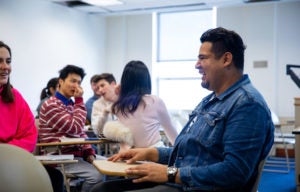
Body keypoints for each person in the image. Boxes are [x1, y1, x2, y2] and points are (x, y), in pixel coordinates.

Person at [90, 27, 275, 192]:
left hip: (194, 186)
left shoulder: (247, 105)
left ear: (226, 59)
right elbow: (189, 154)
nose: (196, 64)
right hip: (181, 182)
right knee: (101, 188)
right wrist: (150, 153)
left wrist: (170, 173)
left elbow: (234, 172)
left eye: (203, 58)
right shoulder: (211, 100)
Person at [0, 41, 64, 192]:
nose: (5, 67)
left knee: (55, 177)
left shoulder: (15, 97)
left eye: (8, 61)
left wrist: (7, 153)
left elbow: (29, 136)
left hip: (13, 161)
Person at [39, 64, 102, 192]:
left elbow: (81, 133)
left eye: (79, 82)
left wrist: (88, 151)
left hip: (74, 156)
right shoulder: (51, 104)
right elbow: (74, 127)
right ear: (61, 82)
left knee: (108, 165)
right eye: (73, 81)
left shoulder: (71, 104)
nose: (76, 86)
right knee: (97, 175)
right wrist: (79, 100)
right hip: (58, 158)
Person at [108, 60, 178, 151]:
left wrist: (118, 92)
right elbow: (173, 136)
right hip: (154, 156)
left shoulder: (118, 106)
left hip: (128, 156)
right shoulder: (154, 101)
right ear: (146, 80)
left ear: (124, 82)